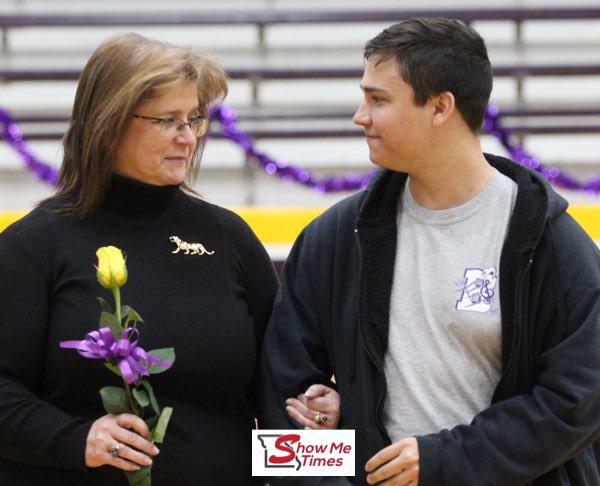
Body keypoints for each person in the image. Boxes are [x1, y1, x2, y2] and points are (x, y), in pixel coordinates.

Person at [259, 18, 600, 485]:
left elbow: (575, 404)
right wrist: (338, 456)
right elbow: (284, 413)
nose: (361, 115)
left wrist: (445, 462)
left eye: (378, 100)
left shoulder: (553, 243)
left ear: (440, 108)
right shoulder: (332, 239)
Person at [0, 33, 280, 484]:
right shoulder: (33, 246)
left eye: (194, 119)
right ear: (108, 124)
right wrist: (75, 439)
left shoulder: (229, 238)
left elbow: (276, 387)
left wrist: (318, 416)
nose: (187, 138)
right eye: (167, 120)